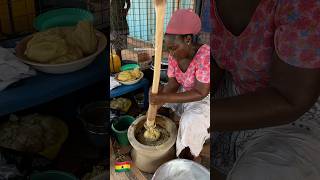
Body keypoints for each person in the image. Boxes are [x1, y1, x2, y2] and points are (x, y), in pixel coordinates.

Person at [212, 0, 320, 180]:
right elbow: (217, 60)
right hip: (234, 91)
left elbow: (290, 99)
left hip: (295, 117)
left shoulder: (302, 5)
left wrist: (208, 117)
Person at [149, 9, 210, 161]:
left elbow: (200, 92)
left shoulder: (205, 55)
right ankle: (167, 138)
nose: (170, 53)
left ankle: (188, 156)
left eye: (173, 48)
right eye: (168, 49)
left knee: (190, 121)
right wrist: (158, 100)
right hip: (185, 92)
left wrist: (164, 96)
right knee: (159, 106)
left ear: (188, 40)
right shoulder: (173, 56)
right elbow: (173, 83)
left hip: (204, 99)